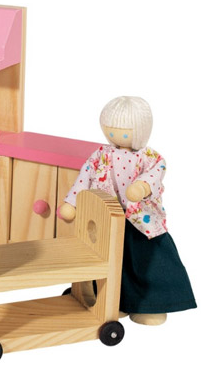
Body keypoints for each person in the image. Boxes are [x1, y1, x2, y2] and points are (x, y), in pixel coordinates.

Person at [58, 96, 196, 325]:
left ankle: (151, 306)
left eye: (121, 133)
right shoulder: (101, 154)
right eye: (109, 131)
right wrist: (72, 203)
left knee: (149, 262)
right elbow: (85, 176)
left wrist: (141, 187)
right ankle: (115, 303)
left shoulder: (150, 157)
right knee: (112, 263)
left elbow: (155, 174)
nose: (113, 136)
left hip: (141, 222)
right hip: (108, 219)